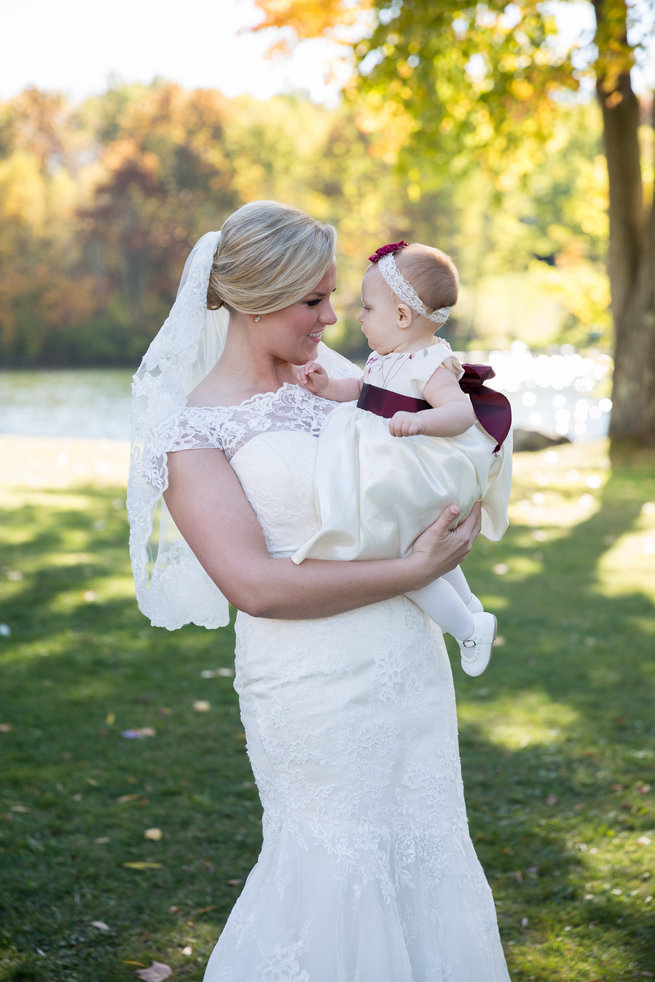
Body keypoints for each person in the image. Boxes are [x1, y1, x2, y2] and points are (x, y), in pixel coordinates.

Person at [127, 201, 512, 981]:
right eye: (313, 300)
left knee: (423, 846)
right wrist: (413, 571)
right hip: (310, 685)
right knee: (332, 862)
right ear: (251, 298)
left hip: (404, 667)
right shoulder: (189, 427)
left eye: (335, 296)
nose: (333, 316)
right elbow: (254, 585)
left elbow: (424, 462)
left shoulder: (341, 377)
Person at [296, 240, 512, 677]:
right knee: (412, 544)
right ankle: (471, 609)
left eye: (367, 308)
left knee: (398, 551)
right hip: (390, 465)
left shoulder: (431, 364)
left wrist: (419, 423)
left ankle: (467, 628)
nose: (358, 316)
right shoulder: (383, 359)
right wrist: (325, 388)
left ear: (401, 316)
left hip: (416, 466)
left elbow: (459, 412)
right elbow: (360, 393)